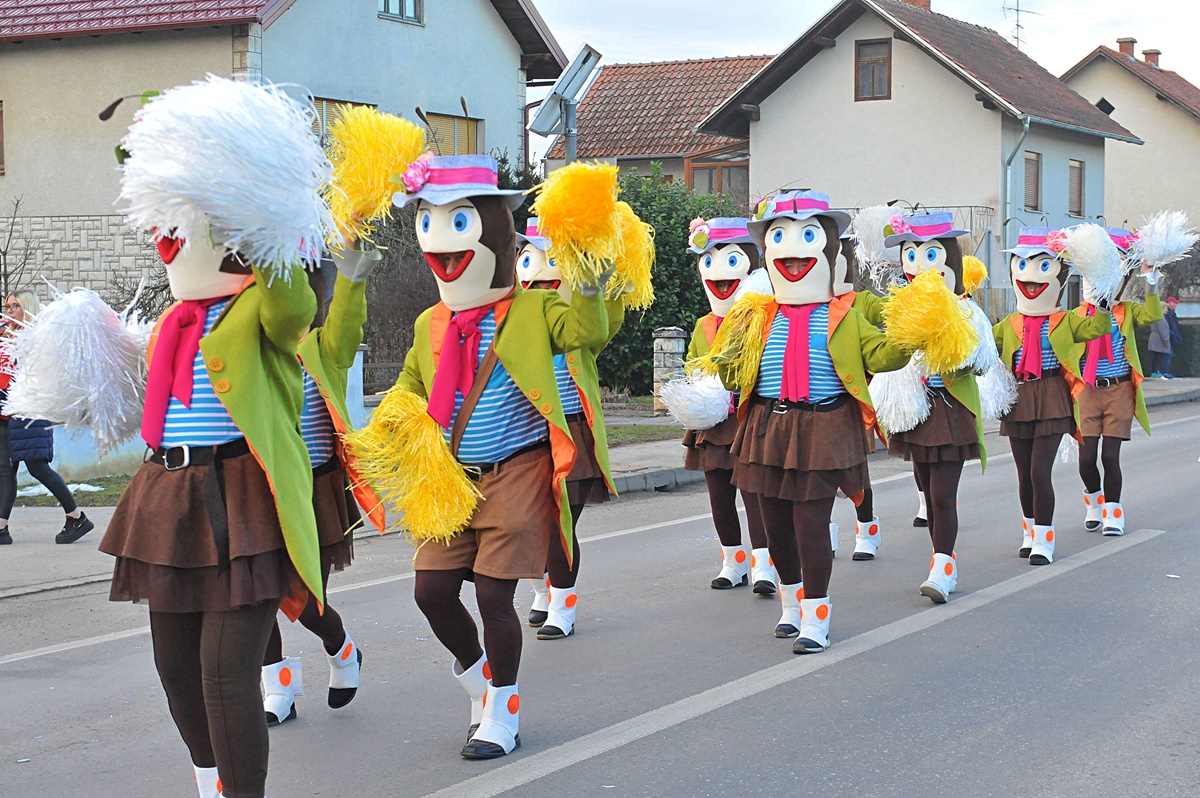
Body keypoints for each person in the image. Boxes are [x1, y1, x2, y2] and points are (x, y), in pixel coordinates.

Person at [97, 77, 328, 798]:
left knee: (226, 675)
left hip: (242, 497)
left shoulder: (262, 307)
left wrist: (269, 208)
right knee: (175, 671)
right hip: (167, 495)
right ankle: (214, 785)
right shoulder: (171, 322)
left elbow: (295, 303)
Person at [384, 154, 609, 758]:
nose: (441, 242)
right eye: (429, 223)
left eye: (458, 222)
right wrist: (392, 422)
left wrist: (589, 279)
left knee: (492, 595)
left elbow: (586, 334)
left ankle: (502, 713)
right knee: (431, 592)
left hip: (517, 470)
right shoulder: (430, 323)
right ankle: (480, 679)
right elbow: (410, 384)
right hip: (449, 480)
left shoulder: (534, 308)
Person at [703, 190, 914, 654]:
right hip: (765, 426)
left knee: (810, 524)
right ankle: (791, 604)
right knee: (774, 525)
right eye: (780, 239)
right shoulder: (757, 315)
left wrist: (917, 321)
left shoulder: (847, 316)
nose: (794, 255)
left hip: (824, 426)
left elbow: (886, 356)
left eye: (807, 240)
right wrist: (726, 350)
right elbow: (732, 375)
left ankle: (817, 616)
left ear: (829, 250)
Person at [261, 246, 386, 726]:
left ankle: (342, 649)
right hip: (262, 488)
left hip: (315, 490)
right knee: (258, 595)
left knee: (304, 596)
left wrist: (352, 276)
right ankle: (278, 688)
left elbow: (347, 328)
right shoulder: (254, 348)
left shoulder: (322, 348)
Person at [516, 217, 624, 639]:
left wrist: (613, 286)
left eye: (554, 260)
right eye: (530, 258)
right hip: (524, 432)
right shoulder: (510, 323)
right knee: (524, 524)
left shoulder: (581, 329)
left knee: (557, 523)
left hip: (571, 433)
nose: (541, 272)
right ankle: (541, 590)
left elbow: (603, 324)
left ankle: (563, 605)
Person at [878, 212, 986, 602]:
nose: (919, 265)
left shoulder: (967, 310)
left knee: (942, 495)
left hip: (950, 411)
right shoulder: (902, 312)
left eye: (930, 255)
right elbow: (890, 358)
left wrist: (947, 336)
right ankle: (941, 559)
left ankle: (942, 568)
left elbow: (979, 362)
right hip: (915, 411)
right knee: (926, 492)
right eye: (911, 255)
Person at [993, 228, 1112, 566]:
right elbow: (984, 349)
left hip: (1052, 397)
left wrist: (1101, 297)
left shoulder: (1066, 320)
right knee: (1023, 474)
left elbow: (1098, 327)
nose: (1031, 280)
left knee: (1038, 471)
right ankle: (1029, 531)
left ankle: (1044, 538)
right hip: (1018, 398)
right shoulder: (1008, 324)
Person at [681, 217, 773, 594]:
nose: (720, 277)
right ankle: (733, 562)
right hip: (714, 425)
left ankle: (764, 564)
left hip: (750, 420)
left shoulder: (765, 319)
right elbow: (691, 364)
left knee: (755, 496)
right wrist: (700, 388)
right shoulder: (703, 325)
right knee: (719, 496)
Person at [1074, 230, 1162, 536]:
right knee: (1086, 459)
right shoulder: (1077, 315)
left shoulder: (1126, 311)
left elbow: (1153, 314)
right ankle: (1093, 499)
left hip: (1119, 390)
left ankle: (1113, 511)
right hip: (1087, 391)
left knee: (1110, 456)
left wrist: (1150, 278)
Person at [0, 289, 93, 546]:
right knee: (5, 471)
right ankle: (1, 527)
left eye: (16, 306)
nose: (10, 311)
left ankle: (77, 517)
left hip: (29, 414)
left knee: (38, 467)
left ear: (28, 309)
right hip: (5, 414)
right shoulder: (5, 339)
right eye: (7, 306)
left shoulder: (37, 340)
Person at [1147, 298, 1177, 378]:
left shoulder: (1154, 317)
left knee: (1155, 358)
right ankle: (1162, 373)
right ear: (1162, 309)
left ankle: (1154, 373)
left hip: (1153, 340)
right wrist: (1166, 342)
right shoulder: (1161, 319)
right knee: (1162, 357)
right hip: (1160, 341)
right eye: (1166, 308)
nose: (1167, 310)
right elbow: (1164, 332)